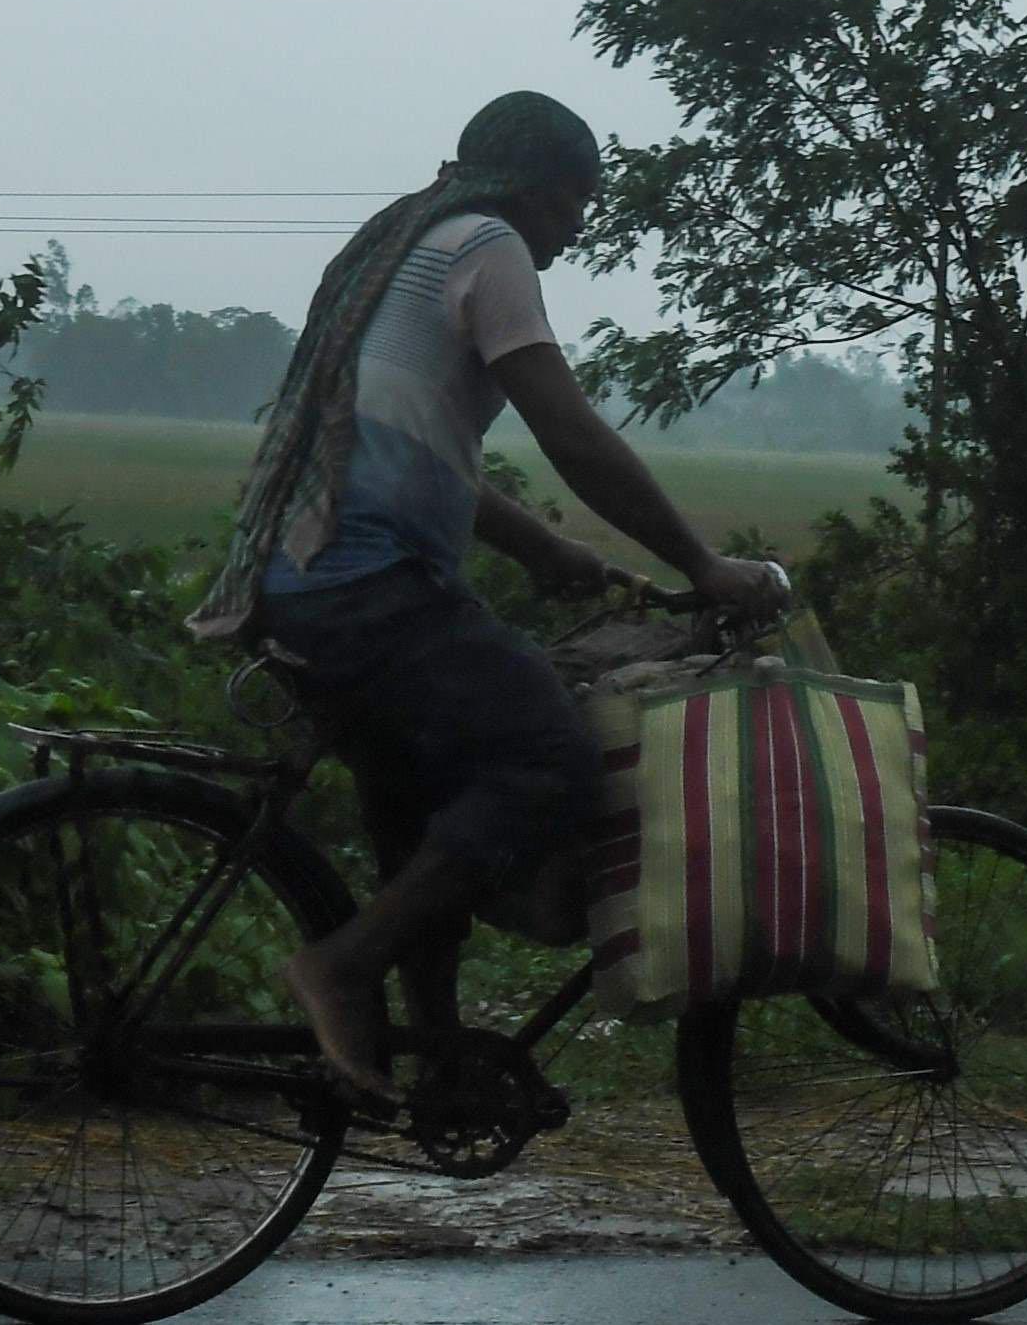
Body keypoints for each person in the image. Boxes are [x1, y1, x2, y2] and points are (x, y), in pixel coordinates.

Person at [192, 89, 789, 1105]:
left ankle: (436, 1068)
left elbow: (419, 448)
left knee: (418, 816)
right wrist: (703, 564)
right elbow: (569, 429)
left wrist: (549, 546)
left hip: (306, 585)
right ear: (539, 189)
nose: (578, 229)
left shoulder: (402, 248)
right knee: (550, 759)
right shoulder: (489, 245)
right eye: (578, 204)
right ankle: (341, 967)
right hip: (371, 588)